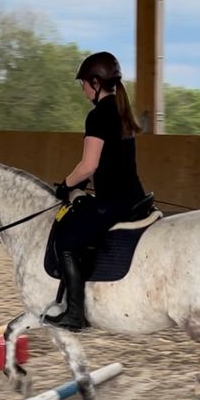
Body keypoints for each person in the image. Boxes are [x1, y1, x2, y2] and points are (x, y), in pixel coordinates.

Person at [43, 51, 147, 332]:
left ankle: (75, 314)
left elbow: (89, 166)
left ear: (96, 83)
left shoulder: (98, 115)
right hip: (134, 196)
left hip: (113, 202)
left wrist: (66, 185)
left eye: (84, 84)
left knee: (66, 239)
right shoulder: (123, 110)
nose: (83, 89)